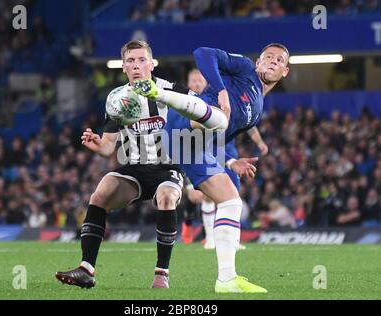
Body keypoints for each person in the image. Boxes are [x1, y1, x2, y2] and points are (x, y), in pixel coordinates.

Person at [133, 43, 289, 293]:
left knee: (231, 201)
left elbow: (219, 140)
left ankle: (226, 280)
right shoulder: (245, 69)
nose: (272, 61)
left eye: (279, 60)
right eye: (268, 56)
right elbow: (202, 53)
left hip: (191, 145)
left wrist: (229, 162)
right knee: (219, 117)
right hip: (182, 122)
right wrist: (221, 91)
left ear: (284, 71)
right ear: (258, 61)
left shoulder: (257, 108)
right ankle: (156, 92)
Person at [55, 40, 187, 290]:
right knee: (101, 192)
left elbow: (202, 113)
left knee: (167, 196)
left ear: (151, 63)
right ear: (123, 67)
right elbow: (108, 147)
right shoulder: (117, 99)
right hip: (134, 169)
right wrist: (97, 143)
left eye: (141, 60)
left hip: (168, 169)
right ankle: (86, 269)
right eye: (130, 61)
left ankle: (161, 275)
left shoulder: (173, 90)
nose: (136, 65)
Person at [182, 69, 269, 250]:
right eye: (193, 80)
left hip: (227, 149)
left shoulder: (219, 98)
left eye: (200, 79)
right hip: (200, 151)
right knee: (201, 196)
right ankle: (206, 235)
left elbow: (247, 121)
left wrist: (259, 142)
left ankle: (232, 240)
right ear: (188, 83)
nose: (197, 83)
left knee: (233, 197)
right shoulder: (186, 103)